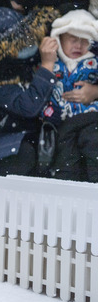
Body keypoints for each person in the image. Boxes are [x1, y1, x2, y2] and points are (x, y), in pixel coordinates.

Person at [0, 8, 62, 176]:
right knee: (26, 154)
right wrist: (46, 67)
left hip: (33, 136)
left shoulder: (28, 61)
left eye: (29, 37)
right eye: (20, 41)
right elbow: (28, 107)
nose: (28, 43)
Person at [41, 10, 98, 181]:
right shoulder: (51, 63)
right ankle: (67, 192)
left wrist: (95, 91)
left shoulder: (94, 63)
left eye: (84, 40)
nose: (78, 45)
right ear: (59, 39)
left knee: (93, 146)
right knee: (66, 158)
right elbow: (40, 90)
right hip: (63, 124)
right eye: (72, 39)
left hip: (91, 119)